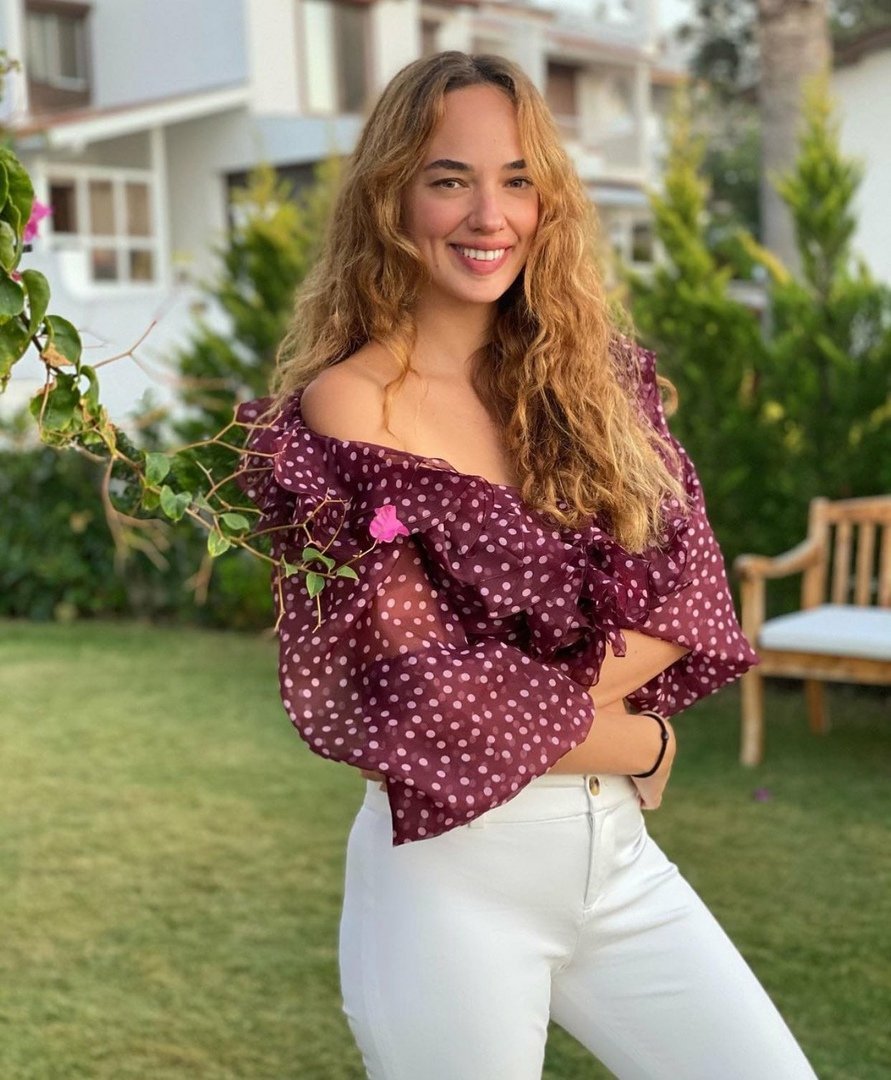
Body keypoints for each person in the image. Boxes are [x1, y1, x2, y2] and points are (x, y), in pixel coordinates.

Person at [237, 51, 818, 1080]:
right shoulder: (348, 407)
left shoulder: (592, 384)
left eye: (516, 179)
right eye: (448, 179)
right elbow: (417, 703)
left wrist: (517, 702)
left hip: (618, 864)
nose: (488, 215)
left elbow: (688, 599)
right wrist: (636, 739)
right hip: (451, 884)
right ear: (391, 197)